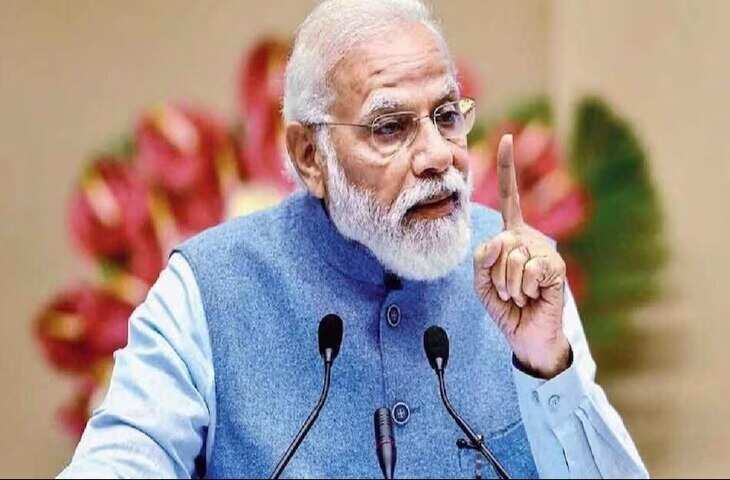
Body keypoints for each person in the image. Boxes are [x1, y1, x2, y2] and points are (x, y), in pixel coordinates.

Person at [59, 0, 648, 478]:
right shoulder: (207, 289)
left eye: (447, 117)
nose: (438, 156)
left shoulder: (518, 272)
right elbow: (122, 460)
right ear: (309, 155)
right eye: (390, 128)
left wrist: (549, 366)